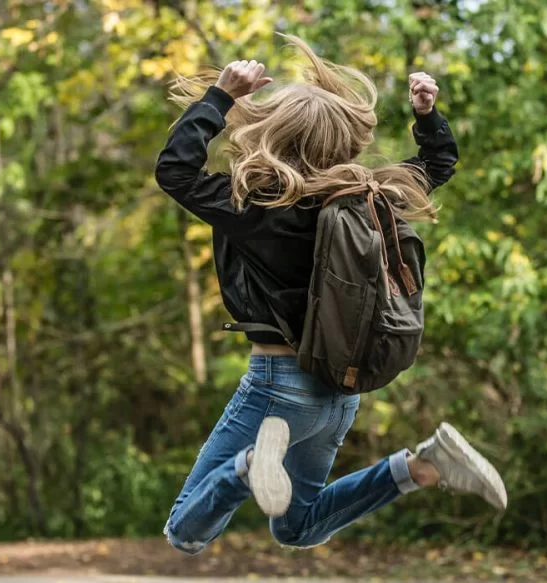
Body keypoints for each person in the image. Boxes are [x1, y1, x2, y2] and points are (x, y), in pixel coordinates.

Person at [155, 35, 507, 555]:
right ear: (341, 139)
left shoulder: (254, 204)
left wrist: (221, 97)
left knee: (185, 531)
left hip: (277, 388)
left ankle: (251, 466)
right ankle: (422, 466)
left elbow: (175, 171)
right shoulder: (370, 198)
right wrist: (427, 117)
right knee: (296, 527)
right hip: (339, 393)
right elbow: (436, 167)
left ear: (274, 132)